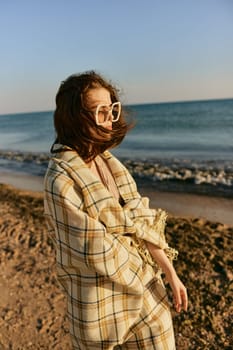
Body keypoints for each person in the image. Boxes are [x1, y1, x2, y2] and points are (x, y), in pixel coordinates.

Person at [44, 70, 188, 349]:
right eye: (101, 111)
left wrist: (170, 272)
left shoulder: (109, 163)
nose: (111, 118)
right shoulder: (60, 179)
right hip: (99, 303)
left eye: (113, 109)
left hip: (145, 291)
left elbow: (139, 220)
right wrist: (147, 269)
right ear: (74, 118)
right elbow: (93, 248)